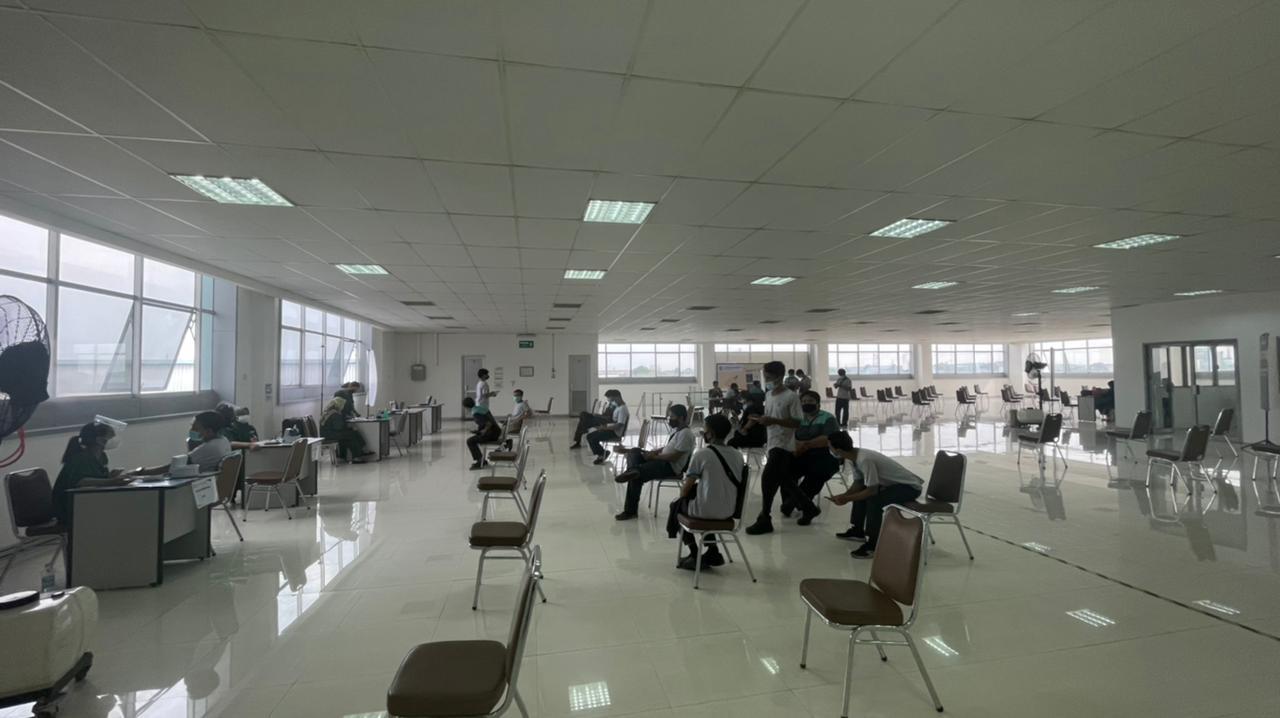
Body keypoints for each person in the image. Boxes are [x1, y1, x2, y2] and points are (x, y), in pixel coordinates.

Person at [825, 431, 924, 559]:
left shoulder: (864, 459)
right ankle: (857, 530)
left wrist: (846, 499)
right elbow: (859, 482)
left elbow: (872, 490)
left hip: (909, 487)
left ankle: (873, 544)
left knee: (874, 500)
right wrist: (844, 496)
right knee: (862, 492)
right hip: (891, 485)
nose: (829, 450)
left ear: (838, 450)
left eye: (830, 447)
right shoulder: (852, 457)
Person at [666, 413, 744, 570]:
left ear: (711, 433)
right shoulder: (738, 455)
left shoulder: (702, 454)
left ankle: (695, 553)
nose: (703, 433)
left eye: (705, 430)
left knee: (677, 505)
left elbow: (684, 490)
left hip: (706, 511)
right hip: (729, 511)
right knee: (704, 501)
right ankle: (713, 551)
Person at [745, 361, 811, 535]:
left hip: (784, 444)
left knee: (767, 478)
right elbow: (770, 416)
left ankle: (764, 518)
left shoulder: (791, 397)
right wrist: (760, 419)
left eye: (769, 376)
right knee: (783, 479)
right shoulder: (769, 395)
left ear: (779, 376)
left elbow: (797, 422)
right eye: (765, 376)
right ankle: (808, 507)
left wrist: (774, 421)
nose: (766, 379)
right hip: (772, 441)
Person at [613, 404, 696, 520]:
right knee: (634, 452)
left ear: (681, 418)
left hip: (670, 467)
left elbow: (675, 457)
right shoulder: (678, 431)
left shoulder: (686, 434)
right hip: (661, 460)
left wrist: (654, 457)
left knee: (636, 476)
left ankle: (630, 507)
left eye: (672, 417)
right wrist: (654, 452)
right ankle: (634, 471)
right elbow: (667, 448)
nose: (669, 419)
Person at [52, 421, 132, 523]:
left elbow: (96, 477)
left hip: (88, 504)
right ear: (99, 440)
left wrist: (110, 477)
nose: (114, 438)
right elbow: (81, 482)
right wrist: (111, 481)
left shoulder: (101, 456)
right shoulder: (81, 459)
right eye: (111, 436)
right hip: (72, 510)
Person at [787, 390, 839, 524]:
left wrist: (805, 444)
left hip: (825, 454)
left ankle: (797, 503)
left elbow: (827, 439)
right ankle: (793, 502)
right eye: (804, 401)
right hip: (802, 454)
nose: (806, 404)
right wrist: (801, 446)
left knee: (817, 472)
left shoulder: (828, 418)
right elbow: (791, 437)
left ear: (818, 404)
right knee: (785, 469)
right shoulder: (799, 419)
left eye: (810, 401)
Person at [320, 396, 371, 464]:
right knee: (351, 435)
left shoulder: (328, 411)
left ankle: (361, 451)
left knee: (352, 432)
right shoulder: (335, 414)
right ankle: (356, 457)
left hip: (327, 434)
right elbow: (338, 427)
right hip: (330, 435)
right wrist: (348, 426)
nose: (343, 407)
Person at [463, 396, 502, 469]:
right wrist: (478, 431)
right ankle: (481, 460)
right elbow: (486, 422)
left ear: (466, 407)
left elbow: (488, 423)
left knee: (470, 441)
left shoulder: (475, 412)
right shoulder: (480, 408)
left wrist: (483, 431)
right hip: (496, 431)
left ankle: (480, 461)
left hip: (492, 434)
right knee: (474, 439)